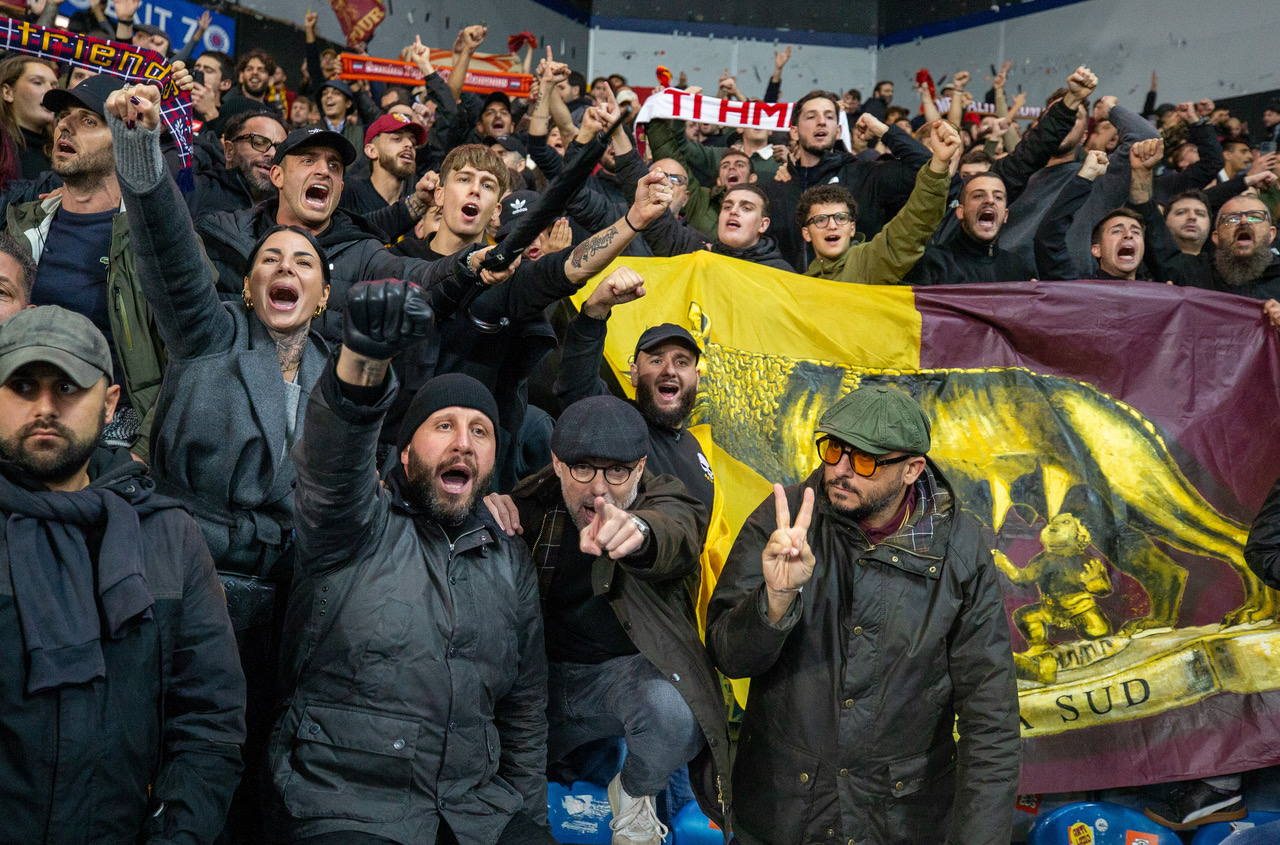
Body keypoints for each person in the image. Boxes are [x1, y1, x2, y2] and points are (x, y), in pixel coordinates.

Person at [274, 282, 554, 844]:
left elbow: (524, 711)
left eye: (480, 431)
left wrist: (530, 823)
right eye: (444, 425)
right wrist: (363, 362)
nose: (464, 442)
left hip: (473, 811)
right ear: (405, 451)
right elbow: (332, 460)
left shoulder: (509, 555)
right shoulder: (354, 525)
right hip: (346, 804)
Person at [706, 385, 1020, 844]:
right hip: (781, 814)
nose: (841, 471)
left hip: (901, 823)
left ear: (912, 469)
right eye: (835, 449)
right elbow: (729, 658)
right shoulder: (786, 521)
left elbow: (990, 722)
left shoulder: (961, 552)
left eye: (866, 460)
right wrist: (774, 601)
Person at [0, 304, 245, 844]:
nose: (44, 407)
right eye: (22, 386)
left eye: (67, 388)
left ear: (110, 404)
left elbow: (208, 724)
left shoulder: (168, 535)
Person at [495, 395, 730, 844]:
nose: (599, 490)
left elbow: (675, 529)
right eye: (583, 469)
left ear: (640, 468)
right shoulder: (528, 509)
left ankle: (636, 797)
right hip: (536, 687)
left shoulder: (667, 499)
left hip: (621, 686)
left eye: (617, 472)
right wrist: (485, 512)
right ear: (557, 464)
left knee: (677, 713)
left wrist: (639, 535)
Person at [6, 73, 166, 459]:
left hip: (114, 438)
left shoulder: (155, 238)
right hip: (17, 422)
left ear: (124, 143)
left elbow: (187, 359)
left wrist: (141, 453)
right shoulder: (22, 224)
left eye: (89, 120)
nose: (66, 125)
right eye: (64, 115)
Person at [761, 97, 932, 270]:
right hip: (791, 294)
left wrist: (882, 131)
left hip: (853, 292)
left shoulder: (866, 175)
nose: (821, 122)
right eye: (811, 117)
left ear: (838, 131)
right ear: (794, 132)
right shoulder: (773, 189)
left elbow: (927, 168)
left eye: (829, 117)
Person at [799, 119, 958, 283]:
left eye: (840, 218)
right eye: (820, 220)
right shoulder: (800, 285)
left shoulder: (870, 262)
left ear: (852, 227)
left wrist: (938, 164)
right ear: (806, 233)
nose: (832, 226)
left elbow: (914, 223)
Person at [640, 182, 794, 271]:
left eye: (746, 208)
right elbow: (657, 225)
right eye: (727, 207)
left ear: (763, 224)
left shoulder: (780, 272)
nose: (733, 211)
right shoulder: (695, 253)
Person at [188, 108, 288, 218]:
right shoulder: (195, 192)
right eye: (259, 143)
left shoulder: (289, 204)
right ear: (229, 150)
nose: (273, 153)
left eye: (280, 148)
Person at [339, 112, 428, 217]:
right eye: (397, 139)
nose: (409, 145)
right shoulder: (348, 193)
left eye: (413, 142)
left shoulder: (417, 202)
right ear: (372, 151)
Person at [0, 56, 57, 181]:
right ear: (7, 93)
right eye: (37, 82)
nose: (50, 91)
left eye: (54, 86)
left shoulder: (63, 152)